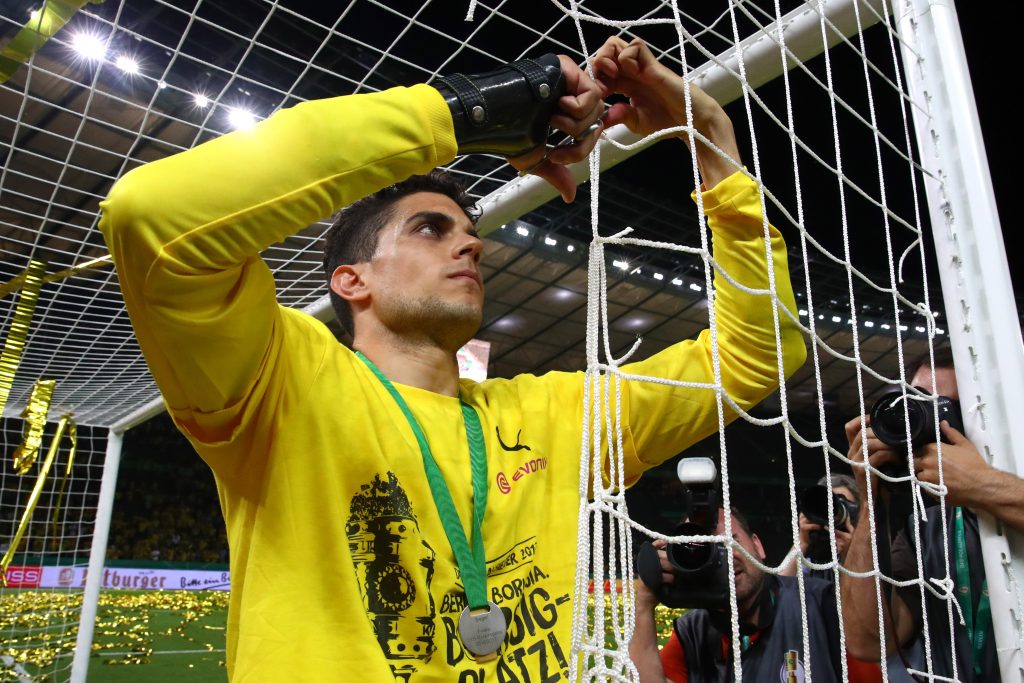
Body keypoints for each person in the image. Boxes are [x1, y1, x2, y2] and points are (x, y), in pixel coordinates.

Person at [99, 35, 805, 681]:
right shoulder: (282, 381)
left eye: (469, 232)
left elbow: (757, 353)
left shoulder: (551, 412)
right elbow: (152, 214)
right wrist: (470, 115)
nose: (471, 244)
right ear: (353, 281)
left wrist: (709, 136)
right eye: (431, 229)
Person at [840, 348, 1024, 682]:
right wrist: (871, 499)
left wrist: (982, 486)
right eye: (919, 404)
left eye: (945, 408)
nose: (927, 422)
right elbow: (868, 642)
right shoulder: (925, 525)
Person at [630, 507, 844, 682]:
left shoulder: (818, 605)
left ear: (758, 545)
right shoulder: (694, 631)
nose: (724, 558)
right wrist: (644, 604)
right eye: (709, 551)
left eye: (732, 542)